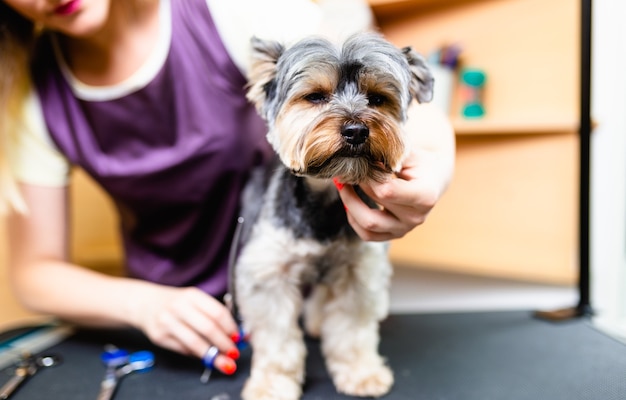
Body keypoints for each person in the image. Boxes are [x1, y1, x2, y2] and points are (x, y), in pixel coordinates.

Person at [0, 0, 455, 377]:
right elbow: (35, 272)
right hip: (174, 326)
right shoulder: (32, 93)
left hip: (318, 299)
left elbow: (398, 95)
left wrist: (433, 167)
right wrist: (144, 306)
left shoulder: (230, 9)